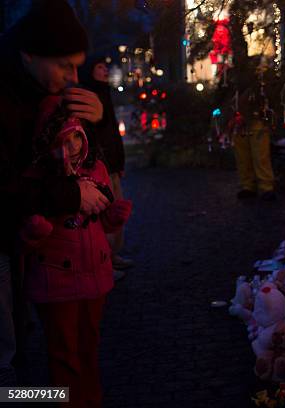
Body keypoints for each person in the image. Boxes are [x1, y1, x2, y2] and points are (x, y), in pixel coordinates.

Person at [0, 0, 107, 386]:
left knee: (26, 351)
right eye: (64, 64)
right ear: (29, 54)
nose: (73, 76)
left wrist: (97, 119)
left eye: (78, 64)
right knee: (7, 360)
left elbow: (82, 158)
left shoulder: (38, 89)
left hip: (26, 248)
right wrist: (71, 196)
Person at [19, 95, 131, 407]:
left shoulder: (96, 169)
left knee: (88, 348)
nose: (70, 150)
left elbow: (100, 221)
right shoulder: (40, 180)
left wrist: (113, 217)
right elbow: (25, 241)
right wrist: (35, 231)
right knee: (63, 353)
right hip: (56, 282)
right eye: (62, 142)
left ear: (83, 137)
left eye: (75, 140)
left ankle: (91, 399)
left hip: (94, 278)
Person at [81, 56, 134, 280]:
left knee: (117, 210)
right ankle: (105, 262)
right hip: (99, 165)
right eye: (99, 67)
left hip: (111, 163)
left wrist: (119, 161)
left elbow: (113, 133)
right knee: (105, 213)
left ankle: (113, 255)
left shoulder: (105, 93)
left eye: (105, 67)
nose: (104, 70)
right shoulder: (90, 96)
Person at [228, 88, 276, 201]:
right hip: (238, 122)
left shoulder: (259, 80)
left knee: (260, 155)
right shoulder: (232, 77)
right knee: (242, 156)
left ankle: (266, 187)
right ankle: (248, 186)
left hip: (257, 119)